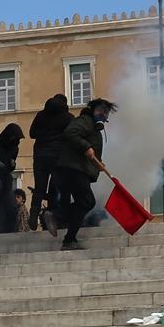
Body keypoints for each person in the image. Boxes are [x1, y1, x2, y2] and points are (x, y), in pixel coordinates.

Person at [53, 98, 115, 250]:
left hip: (77, 168)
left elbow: (92, 153)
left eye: (106, 112)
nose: (103, 114)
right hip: (73, 168)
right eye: (101, 110)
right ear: (93, 110)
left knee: (85, 202)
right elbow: (70, 132)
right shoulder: (86, 121)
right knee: (87, 201)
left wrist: (98, 164)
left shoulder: (94, 128)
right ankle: (65, 231)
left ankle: (61, 222)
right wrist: (86, 147)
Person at [28, 94, 71, 234]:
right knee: (58, 187)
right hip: (58, 157)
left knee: (39, 187)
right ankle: (57, 215)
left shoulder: (41, 115)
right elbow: (73, 135)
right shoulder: (67, 117)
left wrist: (44, 134)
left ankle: (34, 213)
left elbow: (32, 133)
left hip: (40, 156)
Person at [0, 123, 24, 233]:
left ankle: (9, 231)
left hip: (6, 181)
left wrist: (12, 165)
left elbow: (11, 164)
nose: (16, 142)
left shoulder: (14, 148)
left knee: (11, 209)